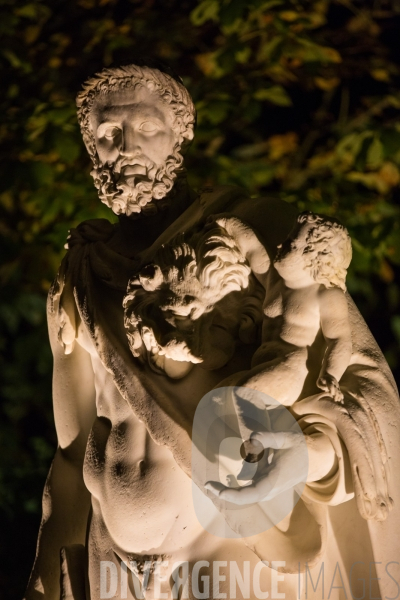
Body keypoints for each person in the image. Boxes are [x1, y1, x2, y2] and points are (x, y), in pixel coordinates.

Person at [25, 63, 400, 600]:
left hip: (227, 553)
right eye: (109, 133)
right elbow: (69, 455)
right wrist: (43, 581)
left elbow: (350, 383)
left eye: (148, 127)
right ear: (92, 150)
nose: (127, 144)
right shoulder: (78, 277)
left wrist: (304, 454)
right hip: (112, 570)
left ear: (180, 135)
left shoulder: (255, 236)